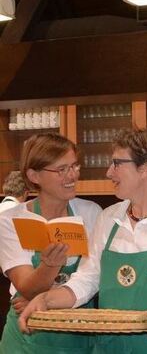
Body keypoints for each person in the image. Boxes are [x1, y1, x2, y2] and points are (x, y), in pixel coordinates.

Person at [18, 127, 147, 353]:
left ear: (145, 169)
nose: (108, 172)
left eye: (117, 164)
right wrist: (46, 299)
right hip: (110, 347)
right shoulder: (107, 218)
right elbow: (87, 279)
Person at [0, 133, 101, 353]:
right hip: (28, 337)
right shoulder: (10, 220)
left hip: (78, 335)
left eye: (74, 166)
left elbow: (94, 276)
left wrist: (47, 301)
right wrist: (49, 266)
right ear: (34, 175)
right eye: (61, 170)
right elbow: (26, 286)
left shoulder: (91, 213)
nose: (72, 175)